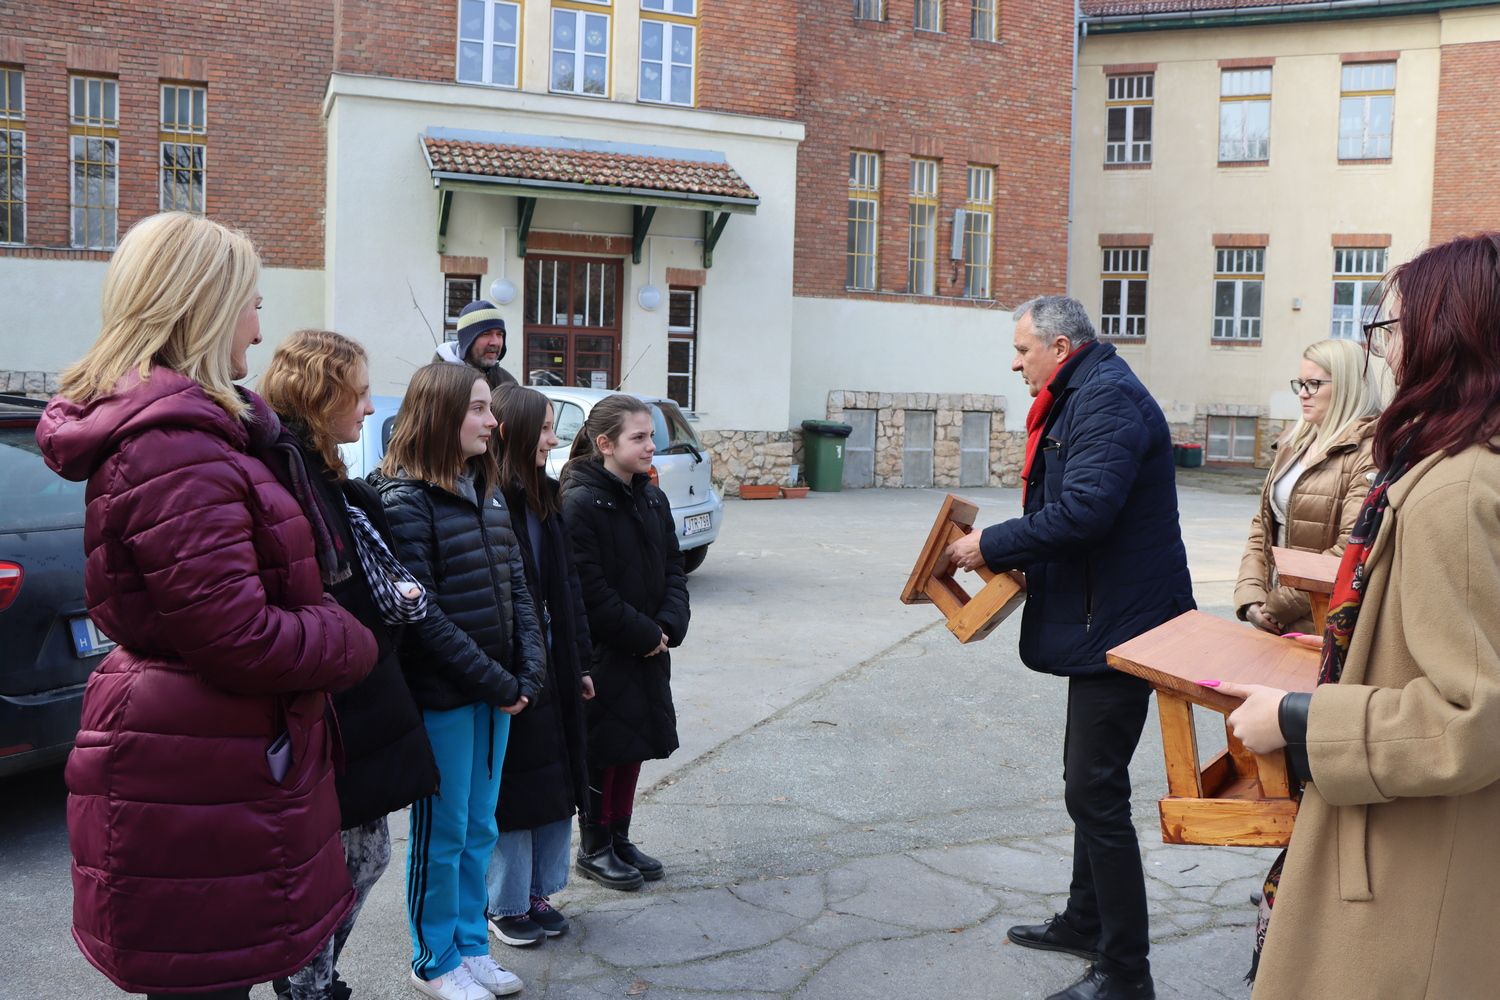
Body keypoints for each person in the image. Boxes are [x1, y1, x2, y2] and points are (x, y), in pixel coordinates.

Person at [35, 212, 378, 1000]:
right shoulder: (176, 447)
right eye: (252, 304)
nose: (260, 330)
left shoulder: (201, 435)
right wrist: (348, 635)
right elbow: (238, 635)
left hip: (207, 756)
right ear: (206, 308)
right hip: (194, 765)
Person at [1211, 233, 1500, 1000]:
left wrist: (1300, 720)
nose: (1385, 353)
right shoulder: (1453, 467)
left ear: (1449, 333)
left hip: (1410, 863)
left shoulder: (1455, 489)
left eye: (1392, 329)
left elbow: (1470, 717)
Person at [946, 296, 1193, 1000]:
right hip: (1108, 617)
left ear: (1059, 345)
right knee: (1088, 787)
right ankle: (1086, 921)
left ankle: (1125, 974)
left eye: (1023, 350)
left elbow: (1086, 510)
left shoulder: (1106, 398)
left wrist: (990, 543)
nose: (1016, 362)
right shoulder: (1086, 389)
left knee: (1095, 793)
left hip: (1128, 624)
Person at [259, 330, 441, 1000]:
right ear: (319, 393)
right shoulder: (286, 473)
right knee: (334, 866)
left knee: (363, 857)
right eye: (357, 393)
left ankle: (312, 979)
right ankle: (307, 985)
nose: (369, 408)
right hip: (328, 705)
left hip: (361, 695)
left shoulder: (326, 475)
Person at [371, 362, 546, 1000]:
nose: (492, 421)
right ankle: (434, 957)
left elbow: (519, 588)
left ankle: (472, 946)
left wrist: (530, 669)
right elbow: (424, 618)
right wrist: (498, 679)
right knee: (441, 837)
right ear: (442, 414)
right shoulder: (405, 496)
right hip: (447, 696)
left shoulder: (487, 485)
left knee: (480, 828)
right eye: (478, 408)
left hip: (496, 694)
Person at [560, 394, 691, 892]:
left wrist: (668, 625)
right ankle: (594, 845)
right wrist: (643, 634)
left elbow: (675, 568)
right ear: (605, 444)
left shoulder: (651, 496)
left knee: (633, 742)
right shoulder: (580, 502)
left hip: (649, 646)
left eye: (651, 435)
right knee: (604, 747)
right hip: (608, 650)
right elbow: (587, 589)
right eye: (639, 437)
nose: (650, 445)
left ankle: (619, 835)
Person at [484, 385, 597, 946]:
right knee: (515, 790)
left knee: (555, 782)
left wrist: (580, 662)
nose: (554, 440)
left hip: (556, 662)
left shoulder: (546, 497)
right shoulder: (491, 499)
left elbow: (568, 586)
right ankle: (504, 902)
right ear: (514, 431)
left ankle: (538, 892)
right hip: (514, 669)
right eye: (547, 428)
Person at [1235, 339, 1382, 636]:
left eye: (1313, 384)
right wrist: (1250, 595)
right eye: (1300, 383)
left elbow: (1349, 549)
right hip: (1272, 615)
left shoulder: (1370, 451)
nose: (1302, 394)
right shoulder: (1295, 440)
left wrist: (1277, 607)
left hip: (1323, 621)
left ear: (1346, 386)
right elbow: (1262, 526)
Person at [434, 299, 519, 390]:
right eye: (486, 334)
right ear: (467, 340)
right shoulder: (437, 381)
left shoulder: (507, 383)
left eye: (499, 334)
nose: (495, 342)